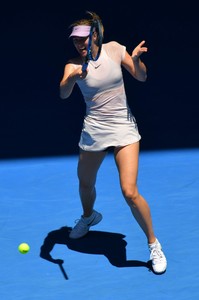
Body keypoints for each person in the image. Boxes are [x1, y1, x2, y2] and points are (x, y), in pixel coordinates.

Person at [59, 11, 167, 274]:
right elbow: (63, 92)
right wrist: (72, 78)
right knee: (85, 183)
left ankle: (154, 244)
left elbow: (141, 77)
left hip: (123, 127)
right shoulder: (72, 65)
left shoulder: (116, 50)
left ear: (95, 35)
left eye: (83, 39)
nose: (79, 44)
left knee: (129, 191)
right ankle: (89, 217)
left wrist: (138, 61)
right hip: (94, 130)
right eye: (75, 40)